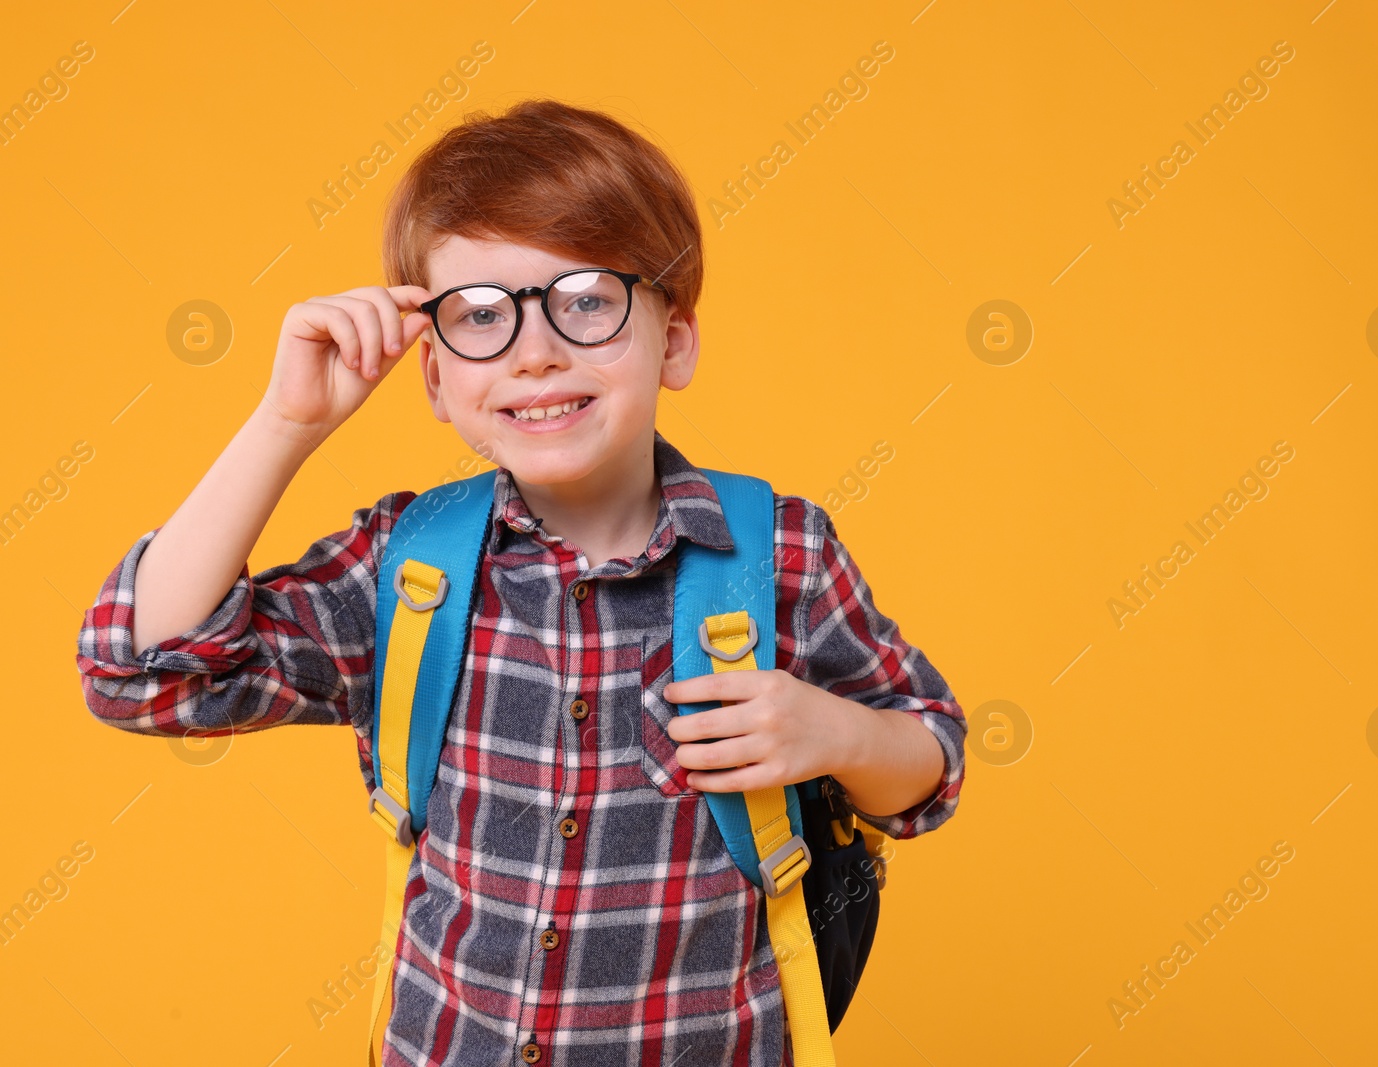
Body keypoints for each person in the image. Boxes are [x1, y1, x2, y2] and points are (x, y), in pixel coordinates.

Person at [75, 97, 967, 1067]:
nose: (534, 351)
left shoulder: (776, 552)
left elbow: (931, 763)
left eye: (585, 299)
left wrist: (837, 732)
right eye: (480, 316)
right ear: (433, 375)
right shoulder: (408, 566)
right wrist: (287, 423)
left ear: (672, 340)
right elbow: (145, 674)